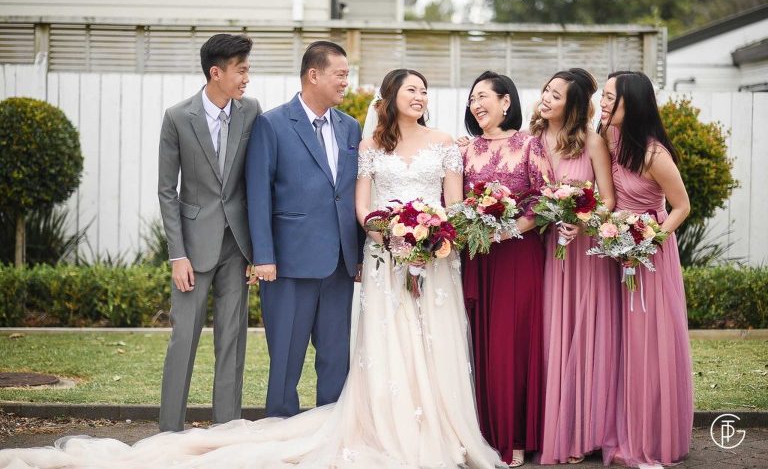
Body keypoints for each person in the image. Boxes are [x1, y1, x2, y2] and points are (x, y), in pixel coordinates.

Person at [0, 69, 507, 469]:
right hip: (372, 253)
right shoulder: (347, 138)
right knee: (348, 349)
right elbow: (334, 200)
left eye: (425, 89)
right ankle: (327, 424)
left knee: (399, 347)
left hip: (415, 258)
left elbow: (453, 204)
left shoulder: (410, 137)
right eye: (411, 88)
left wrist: (430, 238)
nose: (420, 95)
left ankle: (434, 430)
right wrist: (387, 236)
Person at [246, 40, 363, 418]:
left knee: (335, 359)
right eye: (340, 75)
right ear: (314, 74)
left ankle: (330, 433)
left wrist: (358, 254)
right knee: (285, 360)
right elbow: (258, 194)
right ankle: (280, 431)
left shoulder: (351, 128)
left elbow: (351, 193)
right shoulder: (271, 124)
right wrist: (262, 256)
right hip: (289, 264)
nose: (346, 83)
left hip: (340, 264)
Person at [157, 33, 262, 432]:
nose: (247, 77)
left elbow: (255, 181)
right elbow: (167, 191)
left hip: (236, 246)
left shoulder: (251, 111)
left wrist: (259, 250)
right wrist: (176, 255)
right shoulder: (177, 117)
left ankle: (227, 431)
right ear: (216, 72)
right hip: (192, 249)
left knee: (232, 341)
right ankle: (168, 431)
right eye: (242, 70)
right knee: (183, 338)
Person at [599, 71, 693, 468]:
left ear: (630, 104)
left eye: (609, 98)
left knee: (647, 341)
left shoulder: (655, 154)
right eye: (602, 96)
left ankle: (650, 433)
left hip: (649, 252)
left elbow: (682, 207)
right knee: (621, 340)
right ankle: (621, 424)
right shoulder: (607, 135)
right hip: (616, 245)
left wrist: (646, 241)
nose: (602, 104)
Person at [460, 71, 553, 467]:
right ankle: (482, 433)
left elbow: (547, 200)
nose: (475, 104)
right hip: (479, 258)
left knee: (513, 342)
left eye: (482, 96)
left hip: (519, 256)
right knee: (480, 343)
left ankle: (515, 436)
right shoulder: (465, 150)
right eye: (471, 99)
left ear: (506, 102)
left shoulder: (531, 145)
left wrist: (510, 229)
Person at [529, 69, 621, 465]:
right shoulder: (529, 141)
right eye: (546, 91)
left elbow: (608, 199)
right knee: (549, 334)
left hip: (582, 254)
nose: (546, 98)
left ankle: (585, 432)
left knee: (583, 338)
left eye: (556, 95)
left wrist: (583, 218)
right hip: (542, 249)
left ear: (574, 105)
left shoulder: (592, 142)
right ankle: (549, 429)